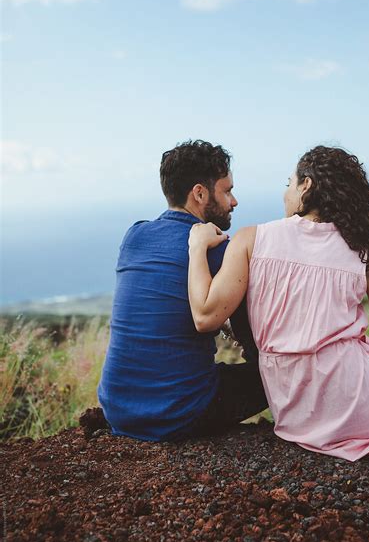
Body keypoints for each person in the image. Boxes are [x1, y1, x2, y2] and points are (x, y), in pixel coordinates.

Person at [188, 145, 369, 465]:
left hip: (296, 412)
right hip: (355, 401)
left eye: (289, 183)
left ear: (307, 186)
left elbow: (205, 315)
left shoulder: (249, 239)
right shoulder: (361, 248)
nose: (286, 193)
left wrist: (196, 248)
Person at [98, 140, 267, 442]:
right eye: (226, 191)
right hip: (181, 414)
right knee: (272, 372)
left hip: (118, 409)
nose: (234, 200)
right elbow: (253, 337)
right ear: (200, 193)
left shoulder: (134, 235)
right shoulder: (220, 250)